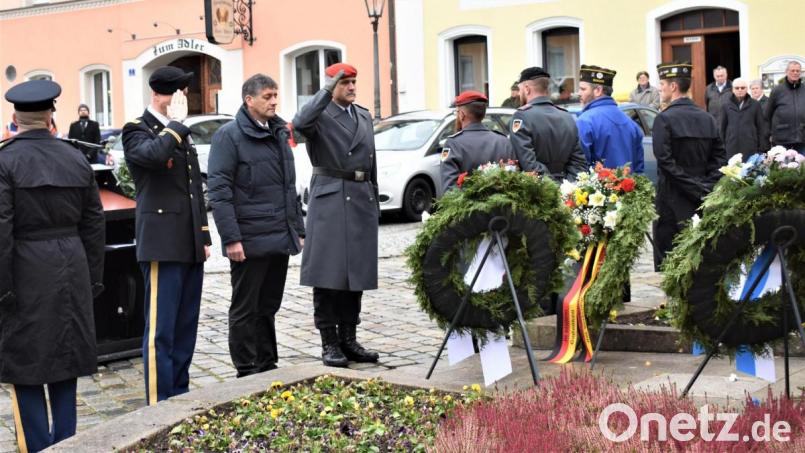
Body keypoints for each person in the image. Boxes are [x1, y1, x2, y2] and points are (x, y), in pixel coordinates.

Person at [0, 80, 105, 452]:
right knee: (66, 359)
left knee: (24, 363)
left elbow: (2, 230)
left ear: (15, 119)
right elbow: (94, 223)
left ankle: (39, 446)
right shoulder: (75, 157)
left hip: (25, 268)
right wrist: (92, 279)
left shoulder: (5, 161)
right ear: (50, 116)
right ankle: (66, 443)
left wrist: (3, 288)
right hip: (72, 263)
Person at [122, 66, 211, 405]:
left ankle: (180, 395)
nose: (184, 98)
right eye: (179, 93)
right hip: (161, 242)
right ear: (161, 94)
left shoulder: (179, 132)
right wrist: (175, 125)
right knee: (161, 330)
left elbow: (194, 188)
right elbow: (153, 157)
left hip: (188, 242)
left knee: (186, 326)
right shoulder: (137, 130)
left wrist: (204, 236)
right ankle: (160, 402)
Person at [208, 74, 305, 378]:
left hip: (278, 236)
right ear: (249, 100)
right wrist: (231, 238)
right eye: (267, 96)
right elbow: (219, 191)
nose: (274, 101)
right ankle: (247, 368)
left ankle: (267, 363)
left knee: (269, 305)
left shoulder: (278, 132)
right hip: (248, 238)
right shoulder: (228, 136)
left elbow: (288, 187)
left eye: (276, 95)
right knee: (245, 307)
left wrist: (297, 229)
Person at [292, 63, 380, 368]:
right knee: (327, 274)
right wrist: (325, 92)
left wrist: (373, 197)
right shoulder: (320, 114)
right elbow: (299, 124)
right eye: (345, 83)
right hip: (330, 198)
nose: (352, 87)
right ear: (331, 85)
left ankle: (349, 338)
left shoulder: (363, 115)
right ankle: (329, 341)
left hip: (360, 198)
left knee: (356, 273)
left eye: (354, 81)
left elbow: (371, 161)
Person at [652, 62, 725, 270]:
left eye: (662, 84)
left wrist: (692, 185)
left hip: (672, 198)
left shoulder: (664, 119)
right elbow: (720, 159)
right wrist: (705, 185)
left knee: (673, 261)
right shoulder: (708, 118)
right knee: (700, 259)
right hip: (701, 197)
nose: (660, 89)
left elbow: (665, 162)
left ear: (673, 86)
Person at [509, 66, 587, 181]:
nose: (519, 94)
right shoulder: (567, 116)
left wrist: (552, 187)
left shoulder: (522, 116)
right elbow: (578, 162)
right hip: (566, 188)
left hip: (539, 189)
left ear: (527, 89)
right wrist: (566, 187)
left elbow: (529, 163)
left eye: (520, 90)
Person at [441, 90, 515, 192]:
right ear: (483, 115)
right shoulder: (503, 141)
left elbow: (450, 190)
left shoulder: (453, 144)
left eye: (457, 112)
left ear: (462, 114)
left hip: (466, 202)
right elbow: (514, 182)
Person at [576, 64, 644, 172]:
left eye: (583, 89)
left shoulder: (585, 121)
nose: (578, 93)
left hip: (597, 182)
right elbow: (639, 169)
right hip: (629, 182)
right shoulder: (631, 123)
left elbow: (580, 167)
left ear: (598, 90)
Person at [720, 77, 768, 159]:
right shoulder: (726, 105)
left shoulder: (755, 105)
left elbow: (761, 128)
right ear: (733, 90)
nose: (740, 90)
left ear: (746, 89)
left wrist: (761, 148)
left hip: (750, 147)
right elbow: (722, 128)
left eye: (742, 88)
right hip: (731, 148)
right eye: (737, 88)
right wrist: (723, 147)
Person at [765, 61, 805, 153]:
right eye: (792, 70)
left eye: (797, 71)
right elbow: (767, 115)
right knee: (782, 163)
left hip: (802, 138)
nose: (795, 73)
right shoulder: (777, 90)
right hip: (782, 139)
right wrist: (768, 135)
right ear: (786, 72)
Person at [705, 65, 732, 129]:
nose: (720, 78)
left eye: (722, 76)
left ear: (726, 75)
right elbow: (707, 103)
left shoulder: (733, 87)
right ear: (714, 76)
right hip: (714, 124)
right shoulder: (709, 88)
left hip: (729, 125)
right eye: (717, 76)